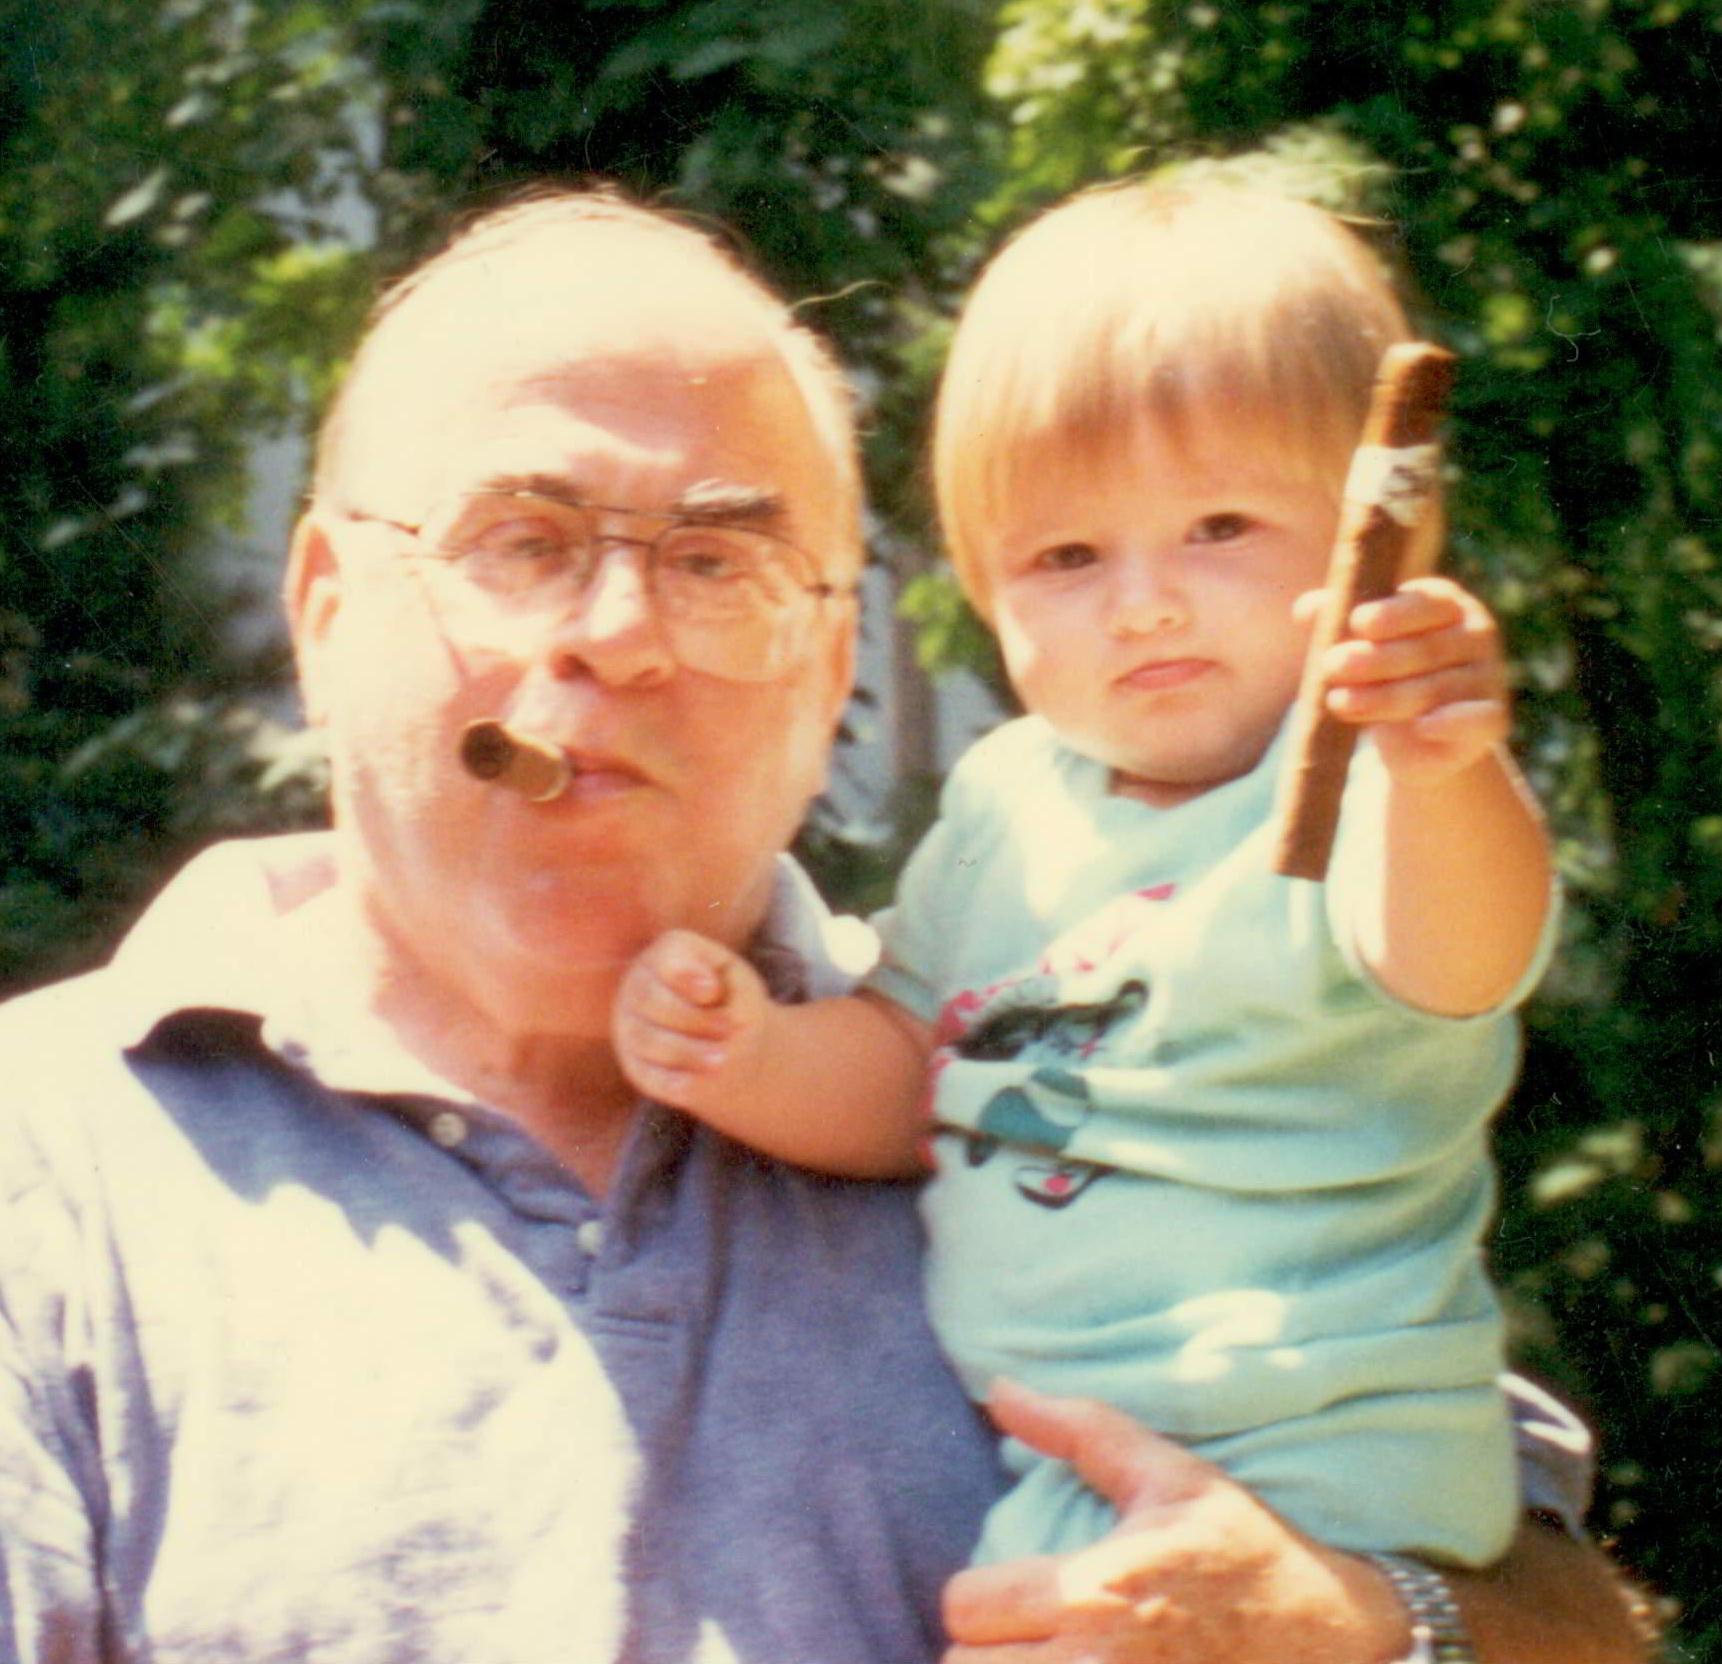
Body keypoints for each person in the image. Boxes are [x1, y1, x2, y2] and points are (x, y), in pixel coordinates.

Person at [0, 187, 1644, 1663]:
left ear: (828, 670)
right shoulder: (28, 1174)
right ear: (322, 608)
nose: (610, 638)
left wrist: (1369, 1627)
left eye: (716, 560)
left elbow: (1569, 1611)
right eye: (521, 540)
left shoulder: (1042, 1040)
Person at [613, 179, 1556, 1575]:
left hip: (1324, 1461)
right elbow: (911, 1069)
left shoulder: (1359, 775)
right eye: (1064, 555)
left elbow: (1465, 956)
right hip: (1069, 1471)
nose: (1144, 601)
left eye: (1220, 528)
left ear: (1377, 545)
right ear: (985, 597)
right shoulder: (1006, 805)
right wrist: (743, 1058)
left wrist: (1442, 759)